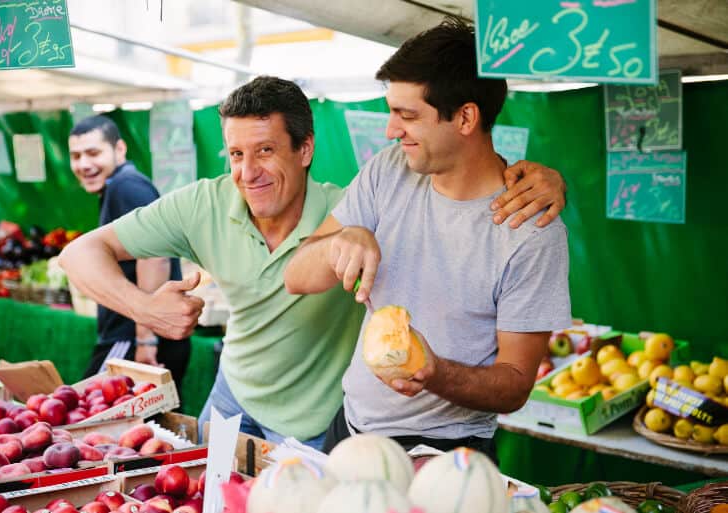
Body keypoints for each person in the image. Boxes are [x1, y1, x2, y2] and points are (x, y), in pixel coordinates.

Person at [60, 76, 566, 451]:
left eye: (264, 151)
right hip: (232, 392)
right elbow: (79, 252)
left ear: (305, 149)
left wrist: (540, 179)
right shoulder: (201, 204)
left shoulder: (354, 207)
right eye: (235, 154)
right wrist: (144, 309)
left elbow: (458, 188)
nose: (247, 172)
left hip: (315, 421)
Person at [284, 17, 572, 460]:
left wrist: (433, 372)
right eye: (391, 111)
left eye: (408, 115)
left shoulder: (532, 231)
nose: (391, 129)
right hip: (350, 429)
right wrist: (341, 242)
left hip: (444, 453)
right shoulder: (388, 169)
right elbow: (296, 275)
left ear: (465, 117)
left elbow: (515, 382)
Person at [67, 115, 191, 402]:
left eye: (93, 153)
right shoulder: (119, 186)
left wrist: (145, 340)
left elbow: (153, 257)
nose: (84, 164)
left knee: (89, 414)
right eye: (76, 156)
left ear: (119, 150)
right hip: (142, 335)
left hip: (135, 339)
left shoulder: (126, 187)